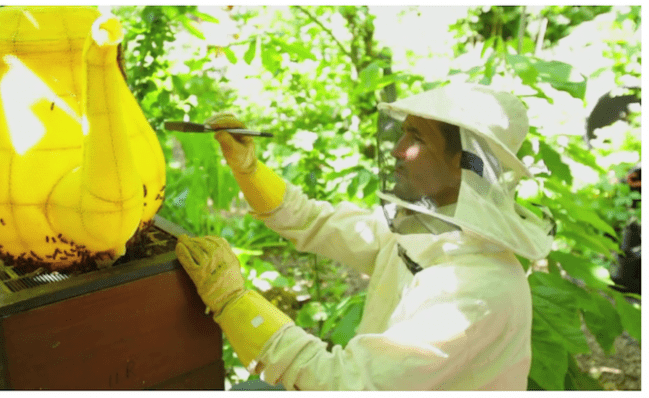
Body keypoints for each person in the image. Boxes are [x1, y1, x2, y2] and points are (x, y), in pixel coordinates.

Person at [175, 83, 555, 390]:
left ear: (464, 164)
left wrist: (234, 303)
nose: (396, 150)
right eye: (402, 132)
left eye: (416, 138)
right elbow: (315, 222)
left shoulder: (477, 289)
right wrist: (249, 169)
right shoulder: (429, 229)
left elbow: (342, 384)